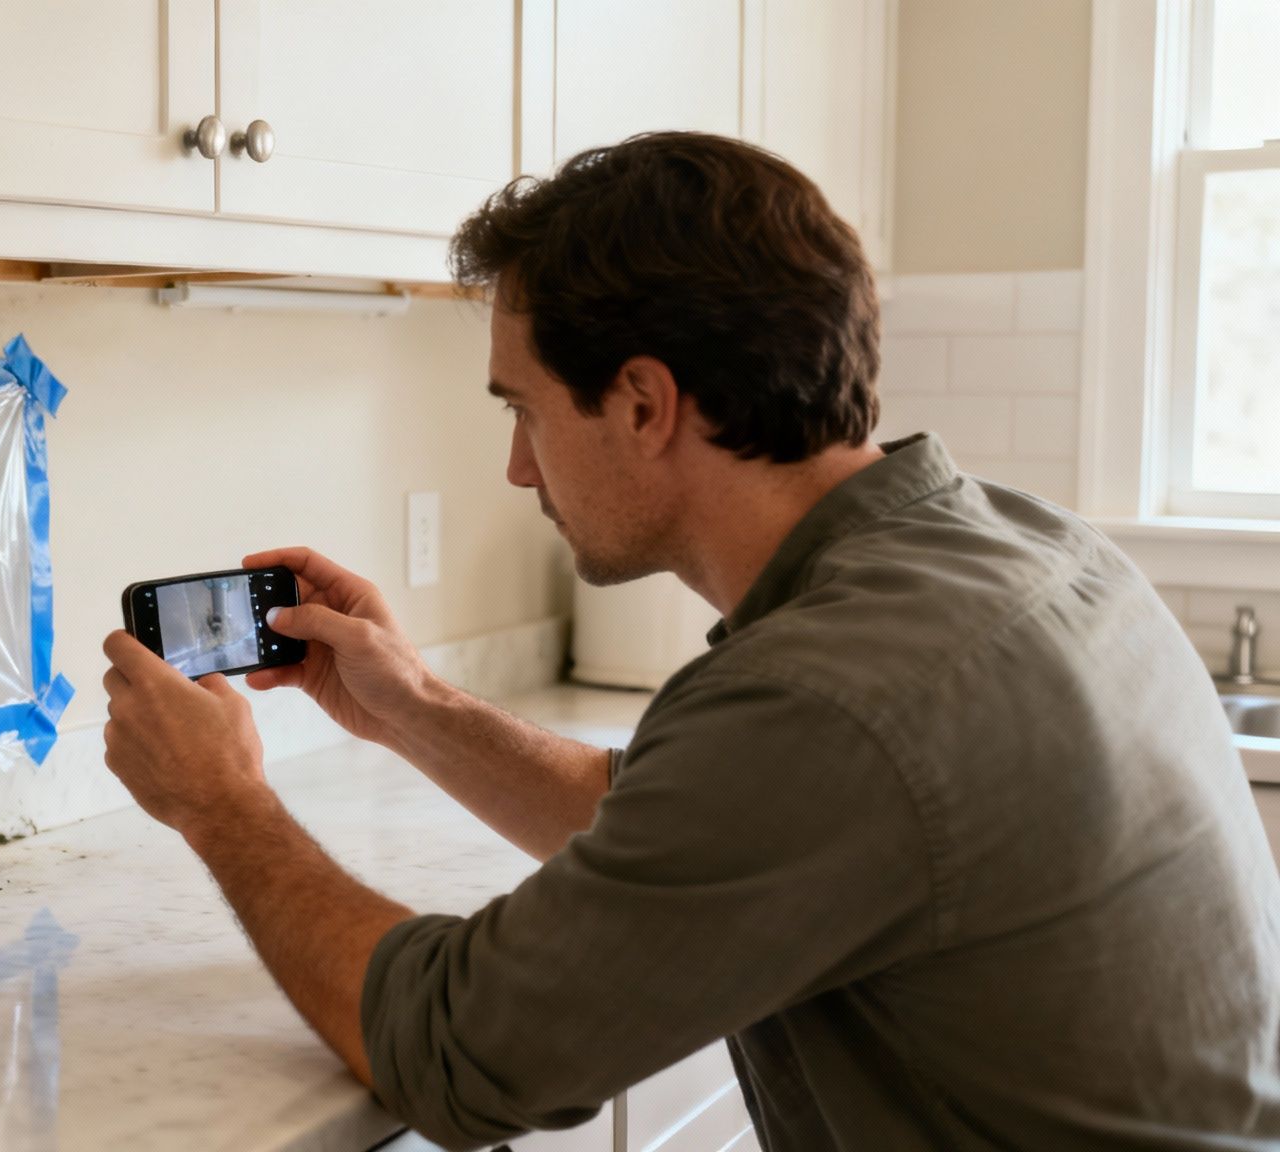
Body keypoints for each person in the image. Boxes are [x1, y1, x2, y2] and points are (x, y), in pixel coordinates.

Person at [98, 132, 1280, 1150]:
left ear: (644, 404)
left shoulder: (828, 696)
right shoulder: (1019, 545)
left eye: (521, 408)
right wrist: (412, 703)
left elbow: (459, 1054)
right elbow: (693, 825)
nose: (516, 466)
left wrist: (221, 802)